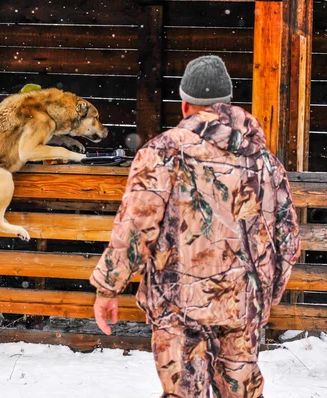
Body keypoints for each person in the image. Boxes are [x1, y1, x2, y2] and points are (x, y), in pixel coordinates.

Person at [89, 55, 300, 398]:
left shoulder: (162, 152)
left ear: (184, 104)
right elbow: (288, 236)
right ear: (227, 103)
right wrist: (263, 294)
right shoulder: (263, 160)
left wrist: (107, 288)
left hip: (179, 306)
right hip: (242, 304)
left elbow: (136, 227)